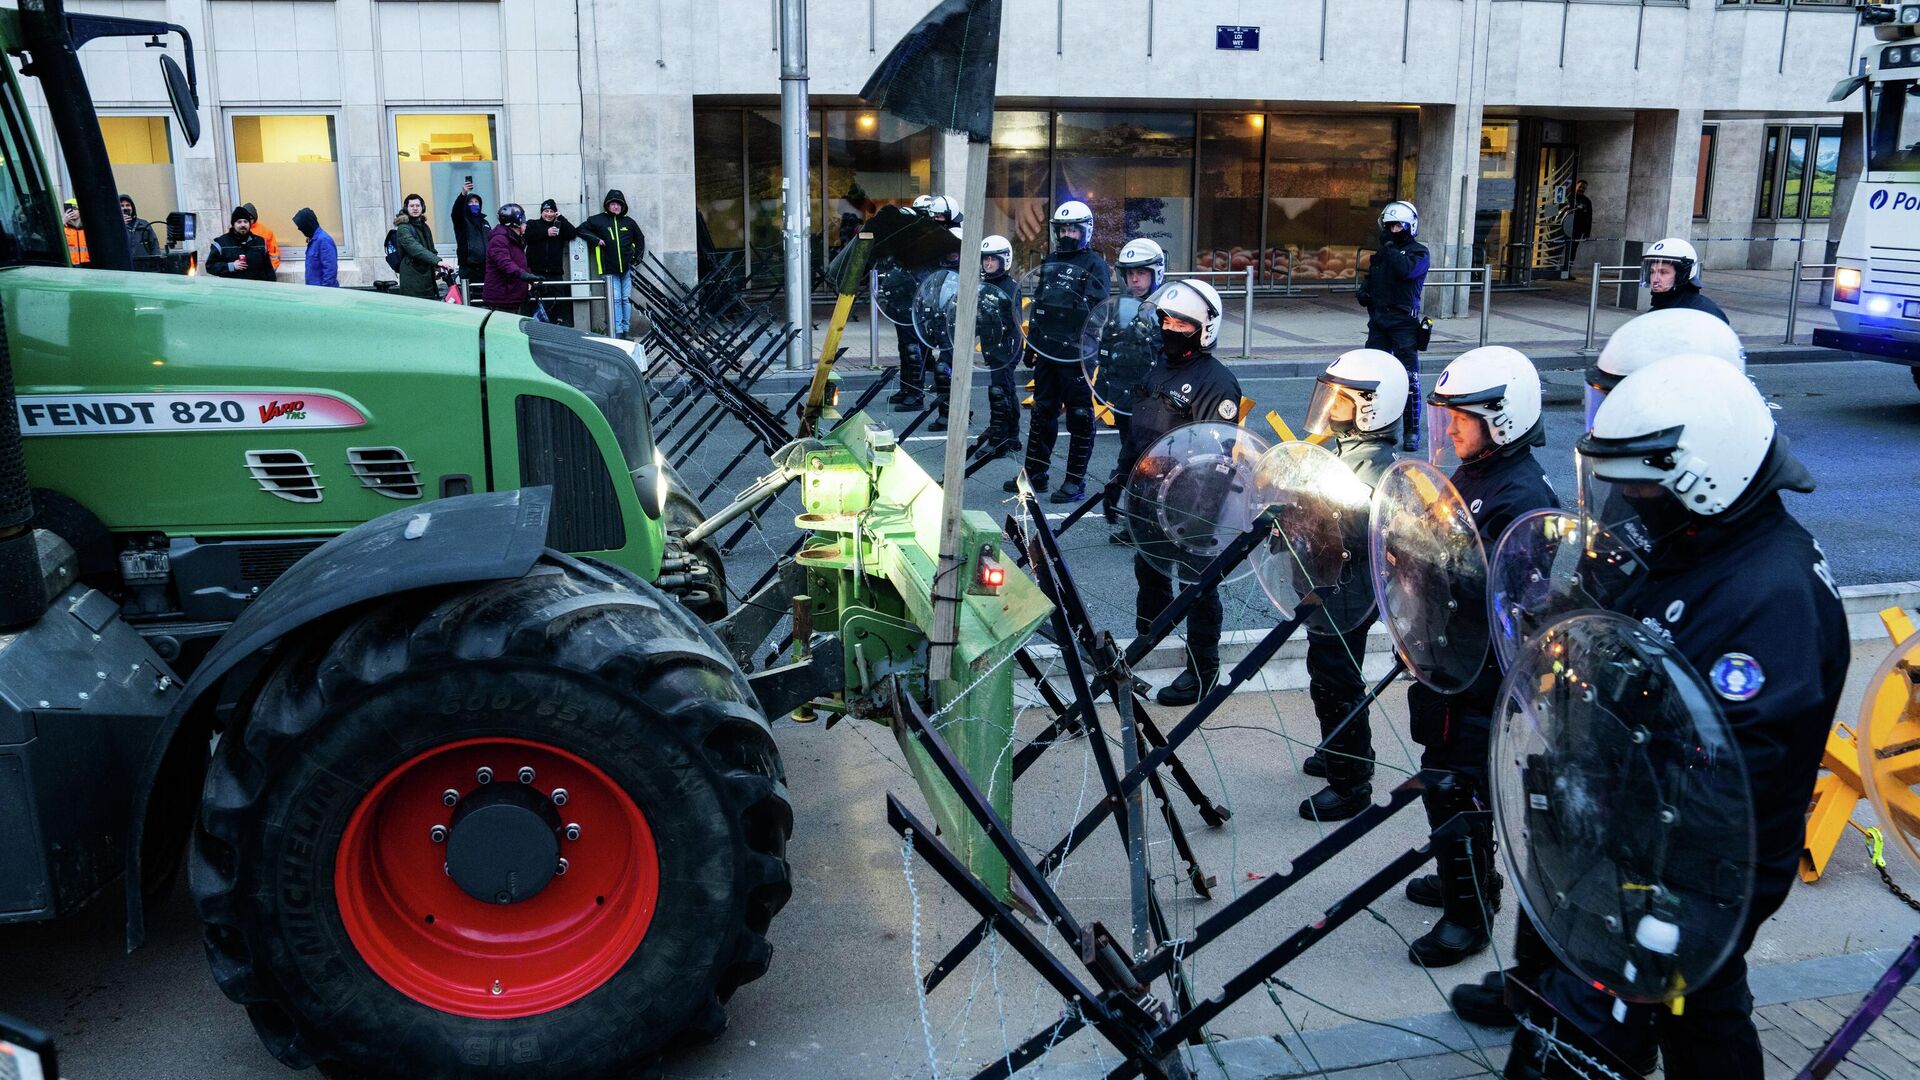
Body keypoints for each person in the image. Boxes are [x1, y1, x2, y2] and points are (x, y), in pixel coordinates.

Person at [1503, 355, 1846, 1080]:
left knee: (1604, 1029)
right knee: (1706, 1011)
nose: (1625, 500)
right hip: (1633, 835)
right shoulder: (1695, 541)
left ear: (1700, 476)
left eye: (1638, 485)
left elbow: (1725, 772)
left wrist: (1642, 891)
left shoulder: (1770, 595)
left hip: (1686, 868)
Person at [1443, 304, 1751, 1030]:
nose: (1609, 418)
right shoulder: (1647, 490)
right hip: (1593, 715)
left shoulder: (1739, 551)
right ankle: (1533, 981)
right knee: (1558, 853)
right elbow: (1603, 566)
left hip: (1664, 779)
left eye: (1623, 397)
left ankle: (1591, 1017)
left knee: (1698, 1009)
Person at [1405, 345, 1557, 968]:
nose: (1451, 428)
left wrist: (1419, 556)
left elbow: (1495, 584)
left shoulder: (1522, 495)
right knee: (1440, 773)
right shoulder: (1477, 472)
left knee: (1460, 786)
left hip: (1481, 669)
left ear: (1503, 417)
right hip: (1447, 656)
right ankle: (1457, 870)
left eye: (1462, 417)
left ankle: (1470, 911)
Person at [1117, 279, 1240, 708]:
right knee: (1149, 574)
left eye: (1181, 323)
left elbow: (1217, 458)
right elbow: (1139, 435)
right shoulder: (1158, 369)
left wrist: (1199, 516)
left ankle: (1202, 672)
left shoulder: (1217, 382)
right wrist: (1120, 480)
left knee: (1198, 589)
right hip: (1150, 496)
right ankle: (1148, 646)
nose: (1169, 328)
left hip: (1194, 503)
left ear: (1204, 328)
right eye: (1165, 319)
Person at [1295, 349, 1405, 821]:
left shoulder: (1376, 467)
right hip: (1327, 583)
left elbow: (1368, 532)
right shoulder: (1344, 450)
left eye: (1341, 396)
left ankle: (1352, 782)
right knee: (1326, 672)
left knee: (1337, 681)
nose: (1330, 403)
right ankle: (1337, 748)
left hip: (1349, 590)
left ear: (1371, 406)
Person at [1008, 200, 1110, 502]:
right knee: (1042, 412)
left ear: (1085, 230)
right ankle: (1034, 474)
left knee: (1079, 415)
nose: (1067, 234)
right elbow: (1039, 303)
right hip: (1048, 351)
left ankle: (1075, 481)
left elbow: (1099, 310)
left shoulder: (1095, 264)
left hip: (1077, 353)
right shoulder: (1051, 259)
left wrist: (1071, 309)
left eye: (1072, 229)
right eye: (1063, 228)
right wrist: (1031, 342)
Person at [1357, 200, 1429, 454]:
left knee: (1409, 379)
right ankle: (1375, 426)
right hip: (1379, 322)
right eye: (1389, 226)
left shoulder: (1418, 253)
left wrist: (1389, 249)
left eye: (1398, 226)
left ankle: (1411, 431)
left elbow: (1406, 272)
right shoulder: (1383, 254)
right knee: (1374, 377)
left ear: (1410, 226)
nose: (1393, 230)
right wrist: (1364, 292)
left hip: (1404, 324)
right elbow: (1372, 280)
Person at [895, 195, 957, 412]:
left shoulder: (957, 234)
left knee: (942, 363)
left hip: (948, 305)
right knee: (910, 348)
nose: (936, 219)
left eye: (940, 216)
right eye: (934, 216)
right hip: (925, 298)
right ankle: (910, 389)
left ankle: (927, 398)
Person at [973, 234, 1024, 459]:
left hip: (1007, 346)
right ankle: (1011, 435)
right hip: (991, 346)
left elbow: (1014, 322)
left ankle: (999, 440)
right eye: (986, 260)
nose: (989, 264)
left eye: (993, 260)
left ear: (1005, 260)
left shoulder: (1010, 287)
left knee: (998, 391)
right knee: (1006, 389)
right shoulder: (984, 286)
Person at [579, 189, 645, 337]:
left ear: (622, 206)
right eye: (613, 204)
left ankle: (626, 330)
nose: (616, 207)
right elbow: (581, 230)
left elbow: (640, 239)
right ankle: (618, 332)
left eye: (618, 204)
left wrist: (636, 259)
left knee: (625, 300)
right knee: (615, 300)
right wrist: (596, 240)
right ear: (608, 205)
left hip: (627, 269)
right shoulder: (598, 220)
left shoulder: (629, 222)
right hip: (609, 270)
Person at [1643, 237, 1728, 323]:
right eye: (1652, 272)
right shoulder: (1655, 311)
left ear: (1682, 274)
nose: (1655, 279)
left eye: (1663, 272)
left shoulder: (1705, 313)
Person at [481, 203, 542, 315]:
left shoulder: (515, 239)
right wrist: (524, 275)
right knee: (503, 330)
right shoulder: (499, 239)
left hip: (512, 295)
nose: (526, 224)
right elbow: (505, 263)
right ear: (517, 222)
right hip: (503, 297)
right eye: (524, 221)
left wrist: (530, 280)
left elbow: (520, 262)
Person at [393, 193, 455, 301]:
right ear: (406, 208)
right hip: (412, 279)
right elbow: (415, 248)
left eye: (418, 205)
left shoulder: (424, 226)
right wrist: (438, 262)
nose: (415, 208)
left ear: (423, 208)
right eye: (412, 206)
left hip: (428, 278)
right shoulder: (403, 228)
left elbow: (431, 249)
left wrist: (436, 269)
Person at [525, 198, 578, 326]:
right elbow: (527, 235)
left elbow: (573, 233)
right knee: (536, 304)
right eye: (546, 211)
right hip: (536, 272)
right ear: (541, 212)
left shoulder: (559, 226)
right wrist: (545, 232)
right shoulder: (533, 224)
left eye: (551, 211)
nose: (548, 214)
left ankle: (556, 328)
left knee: (557, 304)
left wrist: (562, 218)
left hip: (555, 273)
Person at [204, 206, 275, 281]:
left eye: (245, 221)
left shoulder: (260, 242)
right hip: (232, 289)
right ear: (233, 224)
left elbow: (269, 270)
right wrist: (231, 266)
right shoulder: (222, 243)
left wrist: (273, 286)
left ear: (249, 224)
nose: (243, 225)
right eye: (239, 222)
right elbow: (210, 266)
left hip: (256, 289)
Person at [451, 187, 491, 288]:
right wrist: (463, 194)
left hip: (486, 267)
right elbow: (456, 212)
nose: (474, 204)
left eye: (476, 202)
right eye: (470, 202)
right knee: (470, 296)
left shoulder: (485, 223)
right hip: (469, 268)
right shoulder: (462, 221)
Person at [292, 208, 338, 288]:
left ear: (308, 224)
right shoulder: (313, 240)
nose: (299, 229)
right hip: (314, 291)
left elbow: (330, 271)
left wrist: (323, 293)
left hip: (322, 294)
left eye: (301, 226)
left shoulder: (323, 240)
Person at [1561, 179, 1592, 274]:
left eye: (1584, 188)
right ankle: (1552, 270)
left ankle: (1567, 271)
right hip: (1564, 227)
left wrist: (1587, 232)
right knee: (1559, 249)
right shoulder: (1568, 197)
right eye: (1580, 186)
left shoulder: (1586, 201)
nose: (1582, 189)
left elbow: (1589, 217)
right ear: (1575, 186)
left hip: (1577, 230)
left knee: (1572, 251)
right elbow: (1559, 209)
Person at [239, 203, 280, 271]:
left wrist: (271, 271)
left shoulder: (266, 232)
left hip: (260, 272)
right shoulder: (234, 231)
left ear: (254, 218)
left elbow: (274, 255)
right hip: (241, 272)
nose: (248, 221)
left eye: (250, 218)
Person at [120, 194, 159, 261]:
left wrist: (156, 262)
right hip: (124, 265)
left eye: (128, 205)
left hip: (145, 265)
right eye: (122, 206)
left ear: (132, 208)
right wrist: (120, 225)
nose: (125, 208)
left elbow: (154, 245)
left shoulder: (144, 224)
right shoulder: (114, 226)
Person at [62, 199, 89, 266]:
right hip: (69, 265)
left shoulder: (88, 227)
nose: (72, 211)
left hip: (88, 265)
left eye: (74, 208)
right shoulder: (63, 227)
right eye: (69, 209)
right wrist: (62, 222)